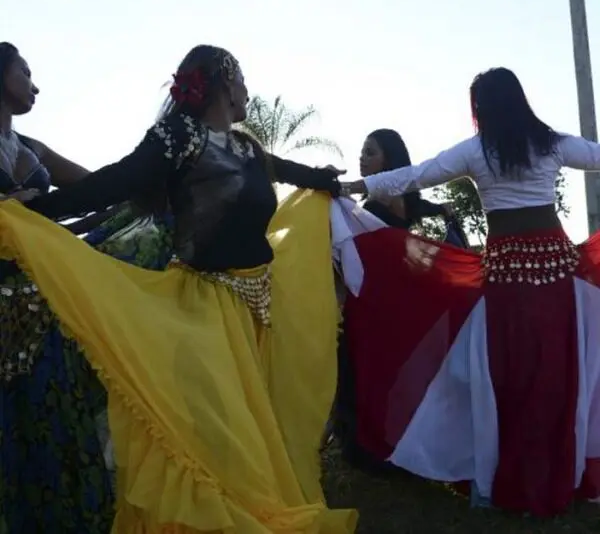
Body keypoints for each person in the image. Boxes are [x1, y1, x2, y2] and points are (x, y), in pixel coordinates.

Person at [0, 45, 357, 532]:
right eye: (244, 79)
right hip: (203, 309)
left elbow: (284, 170)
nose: (249, 91)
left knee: (248, 430)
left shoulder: (244, 146)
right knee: (215, 435)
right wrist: (32, 214)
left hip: (253, 307)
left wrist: (323, 180)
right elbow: (116, 182)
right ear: (225, 80)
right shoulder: (181, 135)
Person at [334, 67, 600, 517]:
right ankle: (550, 474)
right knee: (554, 375)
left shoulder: (480, 150)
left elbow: (416, 175)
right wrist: (359, 186)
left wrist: (355, 187)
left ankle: (509, 474)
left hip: (509, 281)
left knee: (507, 378)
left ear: (482, 108)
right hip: (552, 272)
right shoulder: (550, 143)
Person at [0, 41, 117, 533]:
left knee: (56, 407)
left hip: (44, 291)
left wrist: (147, 186)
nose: (35, 84)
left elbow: (95, 185)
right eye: (25, 72)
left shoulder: (33, 148)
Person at [331, 128, 468, 469]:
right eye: (363, 150)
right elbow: (419, 214)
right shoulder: (408, 199)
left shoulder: (376, 202)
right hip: (396, 293)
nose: (362, 156)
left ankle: (365, 445)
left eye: (371, 151)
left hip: (378, 295)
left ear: (389, 159)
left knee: (360, 363)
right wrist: (443, 210)